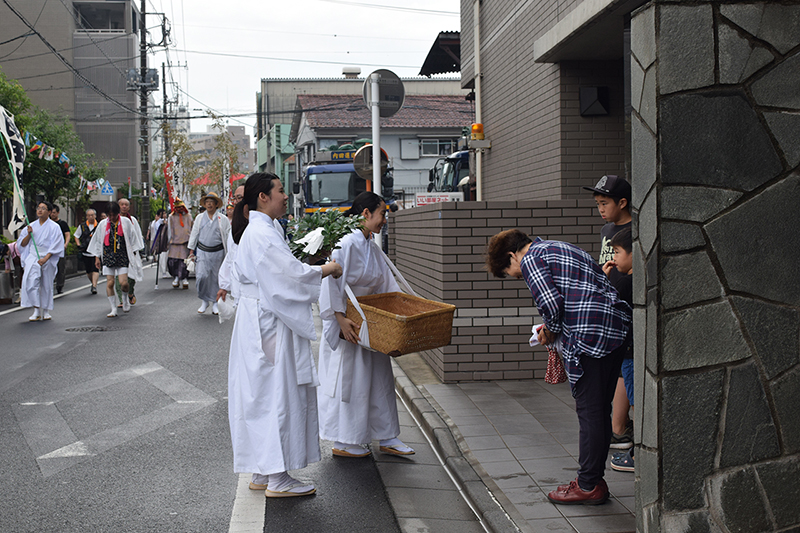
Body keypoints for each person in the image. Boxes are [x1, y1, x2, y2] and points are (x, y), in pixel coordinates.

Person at [485, 229, 631, 505]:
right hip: (614, 331)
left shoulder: (531, 258)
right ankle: (594, 480)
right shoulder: (561, 247)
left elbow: (551, 305)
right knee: (600, 410)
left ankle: (587, 485)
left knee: (589, 411)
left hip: (589, 337)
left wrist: (548, 331)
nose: (518, 277)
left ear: (512, 255)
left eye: (511, 273)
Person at [227, 172, 342, 498]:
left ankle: (263, 471)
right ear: (263, 197)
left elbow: (283, 271)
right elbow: (290, 277)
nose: (285, 195)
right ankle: (278, 478)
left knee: (261, 395)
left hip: (259, 319)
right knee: (277, 394)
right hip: (269, 321)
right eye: (279, 190)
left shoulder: (263, 229)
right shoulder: (262, 233)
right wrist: (327, 269)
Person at [317, 191, 415, 458]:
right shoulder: (346, 243)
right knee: (353, 382)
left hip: (372, 319)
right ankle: (345, 440)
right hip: (349, 320)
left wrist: (401, 308)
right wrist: (339, 318)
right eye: (382, 214)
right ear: (366, 213)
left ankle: (387, 435)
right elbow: (332, 282)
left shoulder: (370, 244)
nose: (385, 220)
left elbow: (386, 284)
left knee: (380, 378)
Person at [583, 175, 633, 450]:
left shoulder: (635, 229)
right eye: (598, 204)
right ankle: (618, 427)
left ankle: (618, 429)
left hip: (628, 305)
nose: (600, 209)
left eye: (605, 203)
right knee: (618, 366)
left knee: (626, 365)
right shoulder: (606, 231)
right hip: (608, 305)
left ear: (622, 202)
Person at [602, 228, 635, 473]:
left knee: (637, 404)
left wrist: (604, 281)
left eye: (617, 252)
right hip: (631, 351)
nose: (614, 258)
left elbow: (606, 305)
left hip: (629, 352)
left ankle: (637, 455)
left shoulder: (624, 282)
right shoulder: (632, 280)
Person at [87, 201, 143, 318]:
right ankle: (113, 308)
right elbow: (98, 241)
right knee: (110, 282)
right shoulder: (103, 224)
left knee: (124, 283)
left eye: (114, 215)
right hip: (108, 255)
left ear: (118, 213)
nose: (112, 217)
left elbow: (133, 237)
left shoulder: (126, 222)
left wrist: (134, 252)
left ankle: (125, 299)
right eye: (110, 215)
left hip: (122, 255)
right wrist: (97, 257)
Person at [16, 201, 65, 321]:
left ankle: (46, 310)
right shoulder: (31, 226)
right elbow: (22, 244)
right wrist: (29, 234)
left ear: (49, 212)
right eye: (39, 208)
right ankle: (36, 309)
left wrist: (46, 258)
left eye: (43, 208)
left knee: (46, 284)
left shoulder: (54, 227)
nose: (40, 210)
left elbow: (56, 245)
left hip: (47, 256)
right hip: (33, 256)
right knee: (31, 282)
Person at [188, 192, 230, 315]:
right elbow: (194, 233)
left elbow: (228, 236)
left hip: (218, 252)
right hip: (202, 251)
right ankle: (204, 300)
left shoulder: (223, 219)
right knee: (201, 276)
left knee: (216, 278)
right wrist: (191, 251)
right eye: (207, 202)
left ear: (216, 204)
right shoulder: (200, 218)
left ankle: (215, 303)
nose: (209, 204)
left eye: (212, 202)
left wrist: (230, 254)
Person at [217, 185, 245, 305]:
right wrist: (224, 285)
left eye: (240, 198)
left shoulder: (266, 224)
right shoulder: (235, 224)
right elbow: (231, 255)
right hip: (239, 288)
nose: (237, 202)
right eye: (236, 198)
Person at [116, 198, 144, 305]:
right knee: (118, 277)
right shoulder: (114, 220)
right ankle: (122, 300)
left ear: (129, 207)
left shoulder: (132, 220)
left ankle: (130, 293)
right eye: (122, 204)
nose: (124, 206)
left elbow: (137, 235)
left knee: (131, 278)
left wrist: (137, 249)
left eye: (126, 205)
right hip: (118, 253)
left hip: (131, 252)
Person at [166, 199, 192, 289]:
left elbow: (191, 228)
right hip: (174, 243)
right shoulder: (171, 217)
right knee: (173, 262)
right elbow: (169, 230)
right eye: (178, 207)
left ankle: (184, 278)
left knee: (184, 262)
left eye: (181, 207)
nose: (180, 209)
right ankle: (176, 277)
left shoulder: (188, 216)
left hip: (185, 243)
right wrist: (168, 241)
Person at [73, 209, 100, 294]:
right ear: (86, 216)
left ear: (95, 216)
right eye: (89, 215)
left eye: (92, 215)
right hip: (86, 251)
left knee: (95, 269)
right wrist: (79, 245)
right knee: (88, 270)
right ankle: (93, 283)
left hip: (96, 251)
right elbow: (76, 236)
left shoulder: (99, 226)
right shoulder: (82, 226)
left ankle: (94, 286)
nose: (91, 217)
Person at [49, 204, 71, 294]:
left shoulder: (62, 224)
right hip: (49, 248)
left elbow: (67, 234)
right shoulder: (48, 224)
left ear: (58, 213)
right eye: (51, 213)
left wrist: (65, 244)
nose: (52, 214)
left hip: (60, 248)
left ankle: (59, 285)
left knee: (61, 267)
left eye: (54, 212)